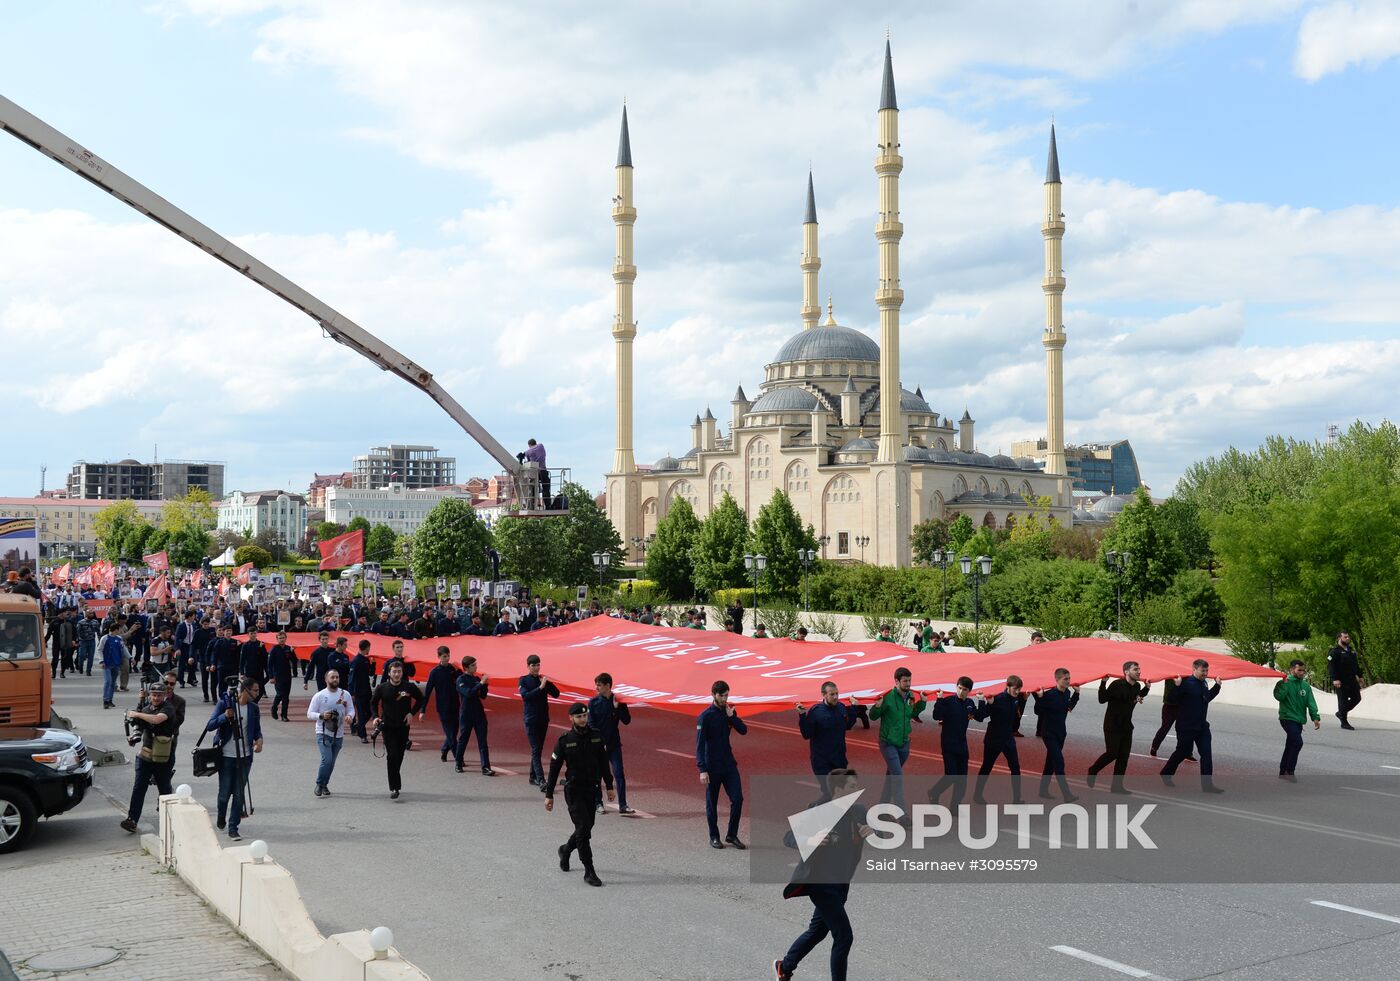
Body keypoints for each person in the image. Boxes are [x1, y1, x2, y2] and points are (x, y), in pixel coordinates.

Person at [773, 768, 870, 981]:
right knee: (844, 936)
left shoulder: (858, 812)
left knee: (818, 931)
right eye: (852, 787)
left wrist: (872, 832)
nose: (857, 790)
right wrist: (811, 840)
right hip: (820, 883)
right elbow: (788, 837)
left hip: (841, 883)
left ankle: (785, 966)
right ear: (838, 789)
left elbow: (881, 833)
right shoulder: (819, 811)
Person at [545, 702, 614, 886]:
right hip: (574, 791)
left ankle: (566, 850)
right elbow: (554, 768)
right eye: (579, 716)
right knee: (583, 829)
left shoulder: (597, 738)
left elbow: (604, 763)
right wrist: (549, 794)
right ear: (571, 718)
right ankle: (589, 871)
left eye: (585, 716)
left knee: (587, 826)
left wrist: (609, 785)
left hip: (591, 790)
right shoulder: (565, 741)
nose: (582, 719)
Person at [207, 678, 263, 841]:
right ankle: (221, 815)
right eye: (255, 690)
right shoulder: (225, 704)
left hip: (245, 758)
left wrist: (259, 740)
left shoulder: (253, 708)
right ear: (245, 690)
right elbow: (210, 725)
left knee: (239, 794)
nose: (257, 694)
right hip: (226, 757)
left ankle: (233, 828)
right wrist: (225, 716)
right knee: (224, 794)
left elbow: (257, 730)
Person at [119, 682, 178, 832]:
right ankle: (132, 820)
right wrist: (133, 738)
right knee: (139, 788)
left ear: (164, 695)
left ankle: (170, 821)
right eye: (154, 695)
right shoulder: (146, 709)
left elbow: (156, 720)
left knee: (164, 790)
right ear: (150, 695)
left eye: (159, 695)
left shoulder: (168, 708)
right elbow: (140, 728)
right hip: (145, 756)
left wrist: (136, 714)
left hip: (163, 758)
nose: (156, 698)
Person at [696, 679, 748, 849]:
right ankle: (714, 836)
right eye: (722, 696)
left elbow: (743, 730)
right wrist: (702, 769)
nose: (725, 699)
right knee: (712, 802)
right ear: (713, 695)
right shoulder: (705, 716)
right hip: (712, 766)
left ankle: (732, 835)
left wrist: (732, 717)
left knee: (738, 799)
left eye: (727, 695)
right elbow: (699, 744)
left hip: (728, 764)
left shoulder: (728, 711)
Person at [868, 667, 926, 817]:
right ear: (896, 681)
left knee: (891, 778)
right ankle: (903, 815)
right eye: (905, 681)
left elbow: (912, 714)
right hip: (888, 743)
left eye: (909, 680)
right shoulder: (887, 697)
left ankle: (881, 812)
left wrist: (922, 704)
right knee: (898, 778)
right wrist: (877, 706)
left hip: (904, 743)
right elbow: (873, 717)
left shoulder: (911, 696)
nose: (908, 684)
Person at [1087, 661, 1150, 794]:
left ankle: (1117, 786)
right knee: (1112, 753)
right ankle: (1093, 770)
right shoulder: (1117, 685)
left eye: (1139, 669)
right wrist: (1103, 683)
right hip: (1112, 725)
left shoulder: (1137, 686)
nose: (1139, 671)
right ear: (1126, 672)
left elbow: (1136, 698)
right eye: (1135, 669)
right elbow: (1102, 699)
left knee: (1123, 757)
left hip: (1127, 727)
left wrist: (1147, 689)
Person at [1160, 659, 1223, 792]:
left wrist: (1217, 686)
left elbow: (1206, 698)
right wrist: (1177, 686)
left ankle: (1207, 786)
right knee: (1182, 752)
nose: (1205, 673)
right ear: (1194, 670)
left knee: (1206, 754)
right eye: (1202, 671)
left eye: (1207, 670)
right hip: (1186, 726)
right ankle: (1166, 773)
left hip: (1202, 727)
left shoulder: (1204, 683)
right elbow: (1171, 699)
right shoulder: (1185, 683)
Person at [371, 659, 423, 799]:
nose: (397, 674)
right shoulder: (382, 688)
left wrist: (412, 713)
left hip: (403, 726)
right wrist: (376, 717)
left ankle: (395, 779)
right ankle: (394, 787)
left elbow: (421, 699)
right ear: (389, 673)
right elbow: (373, 703)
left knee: (399, 756)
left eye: (399, 671)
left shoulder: (409, 687)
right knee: (392, 755)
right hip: (387, 726)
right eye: (394, 671)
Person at [797, 682, 858, 800]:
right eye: (832, 694)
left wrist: (853, 708)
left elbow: (848, 725)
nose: (835, 697)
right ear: (824, 695)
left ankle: (818, 811)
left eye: (837, 694)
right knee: (830, 793)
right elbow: (806, 734)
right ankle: (815, 812)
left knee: (841, 793)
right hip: (821, 761)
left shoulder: (841, 707)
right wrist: (802, 716)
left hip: (839, 759)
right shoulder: (816, 712)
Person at [973, 675, 1025, 804]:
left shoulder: (1016, 699)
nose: (1017, 692)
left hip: (1008, 739)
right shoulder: (997, 699)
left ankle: (1017, 798)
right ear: (1007, 686)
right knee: (986, 767)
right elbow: (980, 717)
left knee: (1015, 768)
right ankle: (977, 795)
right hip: (993, 739)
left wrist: (1023, 700)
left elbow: (1016, 714)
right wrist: (984, 702)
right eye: (1015, 689)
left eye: (1019, 689)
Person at [589, 672, 635, 814]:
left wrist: (617, 708)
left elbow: (627, 721)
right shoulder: (593, 703)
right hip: (599, 746)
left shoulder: (619, 701)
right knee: (598, 775)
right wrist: (598, 742)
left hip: (614, 744)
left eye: (599, 685)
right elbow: (590, 724)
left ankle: (623, 805)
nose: (596, 687)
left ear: (608, 685)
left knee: (619, 773)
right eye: (596, 684)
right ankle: (598, 803)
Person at [928, 676, 977, 807]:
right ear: (956, 687)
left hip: (962, 744)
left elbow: (980, 716)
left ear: (969, 691)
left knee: (962, 779)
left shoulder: (970, 703)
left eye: (965, 689)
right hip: (948, 744)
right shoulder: (948, 701)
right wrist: (938, 699)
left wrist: (984, 702)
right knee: (951, 775)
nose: (961, 691)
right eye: (959, 688)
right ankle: (934, 792)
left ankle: (954, 806)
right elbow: (936, 716)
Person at [1033, 668, 1079, 801]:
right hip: (1049, 733)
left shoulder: (1067, 693)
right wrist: (1040, 698)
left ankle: (1043, 790)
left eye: (1069, 678)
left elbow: (1069, 707)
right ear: (1057, 680)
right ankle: (1067, 795)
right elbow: (1038, 711)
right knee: (1059, 762)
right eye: (1065, 679)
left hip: (1061, 733)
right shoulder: (1049, 695)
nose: (1068, 681)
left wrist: (1076, 694)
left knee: (1050, 763)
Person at [307, 668, 355, 797]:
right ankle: (319, 784)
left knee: (331, 762)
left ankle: (324, 784)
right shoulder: (320, 695)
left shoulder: (345, 694)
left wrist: (350, 716)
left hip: (338, 733)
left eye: (337, 677)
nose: (335, 679)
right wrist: (322, 715)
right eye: (332, 677)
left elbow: (351, 709)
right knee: (326, 760)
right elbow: (310, 714)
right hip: (323, 732)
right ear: (326, 679)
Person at [1275, 658, 1321, 780]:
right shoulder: (1283, 683)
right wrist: (1284, 685)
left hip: (1299, 719)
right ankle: (1290, 770)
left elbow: (1311, 702)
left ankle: (1283, 770)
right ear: (1291, 670)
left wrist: (1315, 717)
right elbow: (1279, 696)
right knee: (1297, 742)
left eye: (1303, 670)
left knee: (1290, 744)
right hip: (1286, 718)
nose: (1302, 673)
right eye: (1299, 670)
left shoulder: (1305, 686)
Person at [520, 655, 561, 789]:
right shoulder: (523, 680)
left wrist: (548, 683)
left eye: (538, 665)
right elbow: (526, 696)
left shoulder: (542, 679)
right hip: (531, 720)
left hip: (543, 719)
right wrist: (540, 687)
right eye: (533, 665)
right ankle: (541, 780)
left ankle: (533, 776)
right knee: (536, 749)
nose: (536, 668)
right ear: (528, 666)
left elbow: (556, 694)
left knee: (538, 749)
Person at [454, 656, 494, 775]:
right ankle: (458, 762)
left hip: (479, 714)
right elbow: (468, 693)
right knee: (463, 739)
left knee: (483, 741)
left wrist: (485, 684)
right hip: (466, 714)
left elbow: (482, 696)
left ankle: (486, 767)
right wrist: (480, 683)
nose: (476, 667)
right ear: (466, 667)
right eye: (473, 665)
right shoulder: (461, 680)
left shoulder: (476, 678)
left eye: (475, 664)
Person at [420, 646, 461, 762]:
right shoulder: (434, 672)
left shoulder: (453, 669)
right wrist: (423, 710)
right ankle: (459, 759)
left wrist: (458, 670)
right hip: (443, 708)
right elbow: (427, 692)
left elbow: (461, 680)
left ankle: (444, 749)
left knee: (453, 732)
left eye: (448, 656)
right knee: (451, 735)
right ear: (439, 657)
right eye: (444, 656)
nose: (447, 658)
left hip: (455, 705)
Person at [1327, 631, 1363, 730]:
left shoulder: (1351, 651)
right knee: (1343, 701)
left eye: (1348, 637)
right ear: (1339, 638)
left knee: (1357, 698)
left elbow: (1356, 665)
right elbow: (1331, 667)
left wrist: (1360, 676)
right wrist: (1335, 679)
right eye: (1345, 637)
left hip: (1351, 680)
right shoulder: (1334, 652)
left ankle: (1340, 713)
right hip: (1341, 681)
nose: (1348, 638)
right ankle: (1344, 722)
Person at [347, 640, 375, 742]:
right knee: (361, 713)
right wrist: (351, 692)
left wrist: (373, 665)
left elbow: (370, 673)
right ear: (366, 648)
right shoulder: (356, 660)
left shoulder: (366, 660)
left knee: (369, 712)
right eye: (369, 648)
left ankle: (359, 725)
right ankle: (363, 735)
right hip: (358, 691)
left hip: (367, 690)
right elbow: (351, 677)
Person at [267, 630, 297, 721]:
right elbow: (270, 664)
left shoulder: (288, 648)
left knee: (286, 697)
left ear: (286, 638)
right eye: (280, 638)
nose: (281, 640)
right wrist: (271, 677)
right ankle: (274, 707)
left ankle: (284, 715)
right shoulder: (274, 649)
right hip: (277, 675)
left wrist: (292, 652)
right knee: (280, 694)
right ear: (277, 639)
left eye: (283, 638)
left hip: (287, 675)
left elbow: (294, 661)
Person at [99, 620, 128, 709]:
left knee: (113, 683)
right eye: (118, 629)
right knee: (108, 681)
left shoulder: (119, 638)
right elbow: (100, 649)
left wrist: (130, 658)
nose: (119, 631)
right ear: (115, 629)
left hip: (116, 663)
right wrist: (101, 661)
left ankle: (110, 700)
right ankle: (105, 700)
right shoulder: (105, 638)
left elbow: (124, 649)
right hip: (107, 664)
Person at [238, 627, 268, 702]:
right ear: (248, 635)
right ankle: (251, 703)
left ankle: (254, 702)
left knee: (260, 690)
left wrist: (267, 671)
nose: (253, 635)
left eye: (254, 633)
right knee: (249, 689)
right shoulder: (245, 645)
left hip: (259, 670)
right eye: (251, 633)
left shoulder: (261, 644)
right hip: (249, 671)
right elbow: (242, 660)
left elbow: (264, 658)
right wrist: (242, 673)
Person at [522, 437, 550, 506]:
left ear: (529, 445)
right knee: (546, 488)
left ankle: (534, 503)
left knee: (533, 488)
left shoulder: (528, 452)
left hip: (534, 472)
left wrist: (524, 454)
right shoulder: (541, 446)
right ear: (535, 443)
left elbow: (529, 462)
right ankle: (547, 504)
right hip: (543, 470)